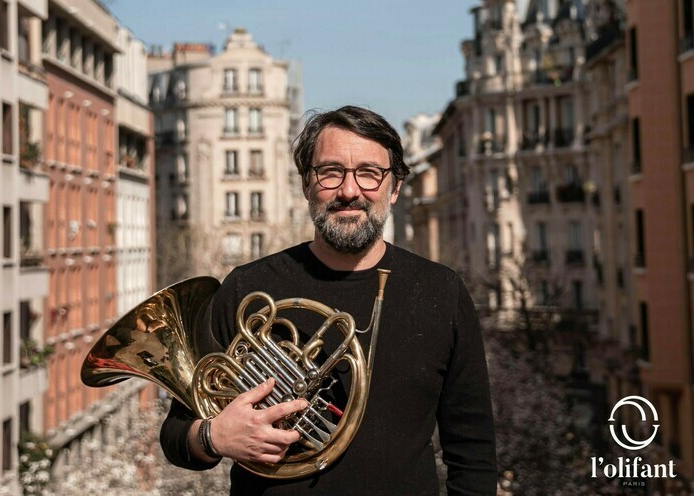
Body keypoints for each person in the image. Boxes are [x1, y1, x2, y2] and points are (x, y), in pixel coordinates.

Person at [160, 105, 497, 495]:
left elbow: (473, 455)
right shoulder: (246, 289)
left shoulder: (443, 291)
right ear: (307, 184)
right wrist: (214, 437)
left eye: (370, 173)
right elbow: (175, 434)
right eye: (330, 172)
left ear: (396, 187)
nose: (349, 191)